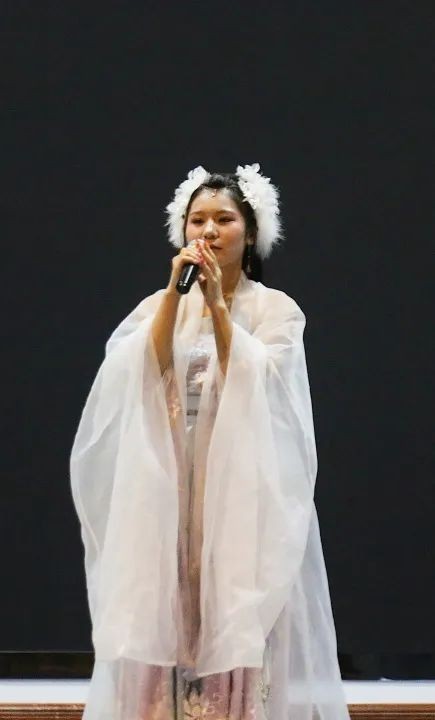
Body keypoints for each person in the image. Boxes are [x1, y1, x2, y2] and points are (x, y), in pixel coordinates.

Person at [70, 163, 351, 719]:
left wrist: (219, 306)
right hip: (170, 484)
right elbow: (136, 370)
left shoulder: (276, 310)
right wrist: (177, 296)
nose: (208, 231)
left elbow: (265, 383)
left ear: (251, 232)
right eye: (197, 220)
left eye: (223, 219)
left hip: (238, 490)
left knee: (232, 608)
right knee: (162, 606)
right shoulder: (158, 307)